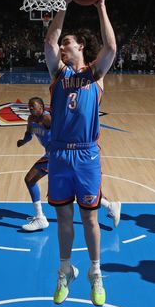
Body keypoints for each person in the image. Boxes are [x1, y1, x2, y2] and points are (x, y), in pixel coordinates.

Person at [43, 0, 116, 307]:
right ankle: (64, 270)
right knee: (62, 218)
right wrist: (64, 5)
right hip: (59, 154)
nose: (61, 46)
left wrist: (101, 7)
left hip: (86, 154)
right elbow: (48, 41)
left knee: (89, 218)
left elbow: (111, 46)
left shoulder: (96, 75)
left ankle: (95, 274)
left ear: (81, 46)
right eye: (61, 43)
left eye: (67, 42)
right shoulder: (58, 73)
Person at [17, 96, 121, 232]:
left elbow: (65, 129)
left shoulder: (47, 119)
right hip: (52, 155)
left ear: (41, 108)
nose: (30, 108)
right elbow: (29, 134)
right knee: (79, 189)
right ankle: (110, 205)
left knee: (30, 179)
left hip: (57, 156)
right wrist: (22, 141)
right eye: (29, 106)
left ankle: (41, 217)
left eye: (33, 106)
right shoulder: (31, 120)